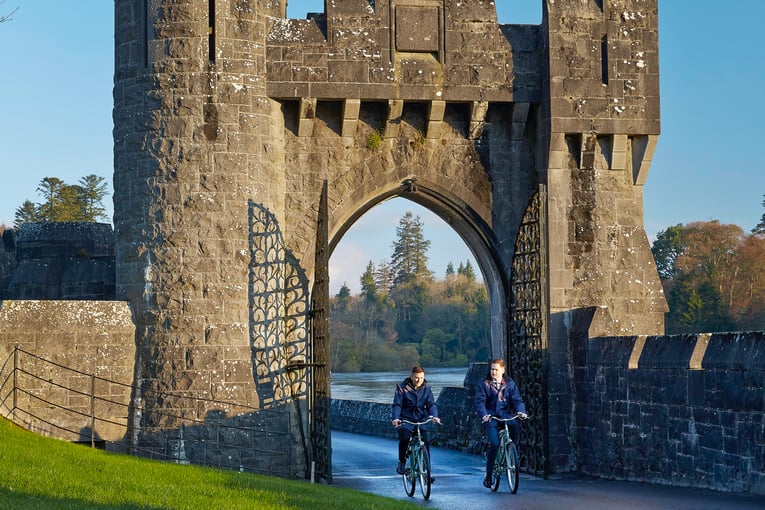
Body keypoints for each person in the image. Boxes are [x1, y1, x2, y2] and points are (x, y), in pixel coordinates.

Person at [474, 358, 528, 488]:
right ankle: (488, 476)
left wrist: (521, 412)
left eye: (496, 369)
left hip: (505, 415)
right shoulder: (484, 383)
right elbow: (479, 402)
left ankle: (511, 449)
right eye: (492, 369)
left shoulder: (510, 383)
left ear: (503, 370)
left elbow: (517, 400)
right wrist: (484, 415)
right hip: (491, 417)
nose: (493, 372)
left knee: (515, 425)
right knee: (494, 444)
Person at [391, 366, 441, 475]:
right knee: (405, 438)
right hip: (405, 419)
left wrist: (434, 416)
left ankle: (427, 473)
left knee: (425, 442)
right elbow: (397, 405)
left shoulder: (427, 388)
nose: (419, 380)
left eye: (422, 378)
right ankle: (402, 462)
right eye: (417, 378)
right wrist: (396, 418)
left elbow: (431, 404)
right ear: (411, 376)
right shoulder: (402, 388)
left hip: (420, 419)